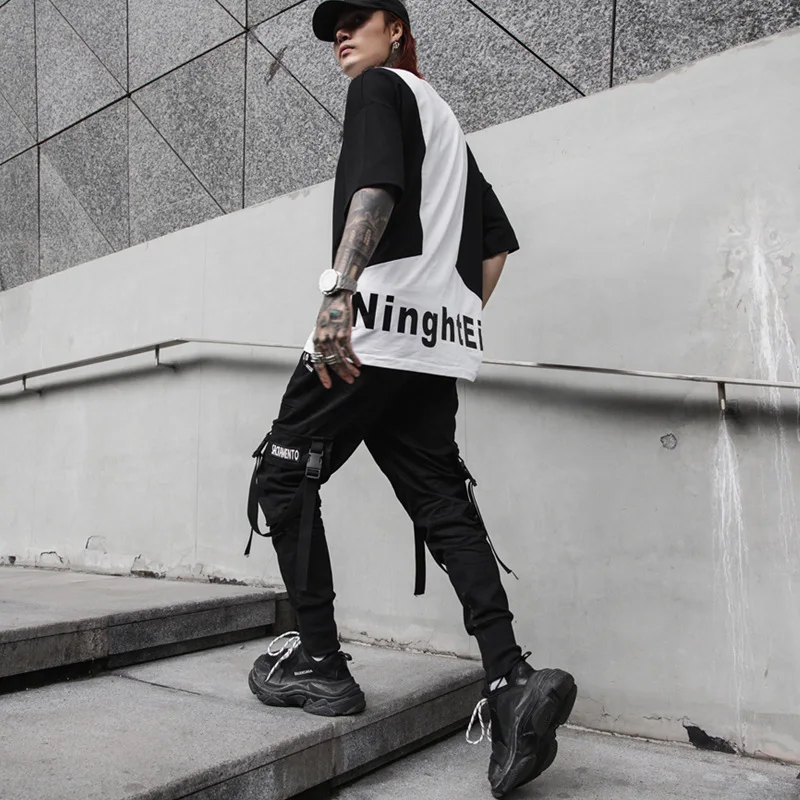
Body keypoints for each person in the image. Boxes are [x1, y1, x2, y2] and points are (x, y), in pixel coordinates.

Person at [245, 1, 576, 795]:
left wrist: (340, 293)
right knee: (439, 498)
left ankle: (321, 664)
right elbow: (494, 248)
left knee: (284, 475)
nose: (340, 34)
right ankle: (510, 679)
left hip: (368, 333)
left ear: (396, 29)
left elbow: (376, 188)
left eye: (355, 19)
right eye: (332, 27)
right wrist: (439, 322)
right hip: (433, 345)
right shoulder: (445, 124)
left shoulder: (379, 91)